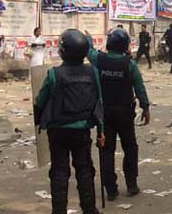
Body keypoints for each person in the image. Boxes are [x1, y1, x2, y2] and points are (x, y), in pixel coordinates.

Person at [34, 29, 105, 214]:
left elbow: (40, 100)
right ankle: (89, 209)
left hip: (57, 131)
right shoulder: (92, 73)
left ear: (62, 51)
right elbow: (99, 103)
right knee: (84, 170)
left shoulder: (54, 74)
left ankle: (59, 210)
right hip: (82, 130)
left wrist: (39, 121)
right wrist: (101, 131)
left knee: (59, 171)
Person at [87, 28, 150, 201]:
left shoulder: (99, 60)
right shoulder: (129, 64)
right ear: (125, 46)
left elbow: (87, 49)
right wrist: (145, 107)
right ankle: (131, 184)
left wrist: (88, 38)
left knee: (106, 150)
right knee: (130, 147)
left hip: (104, 113)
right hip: (125, 112)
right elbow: (139, 88)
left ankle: (111, 189)